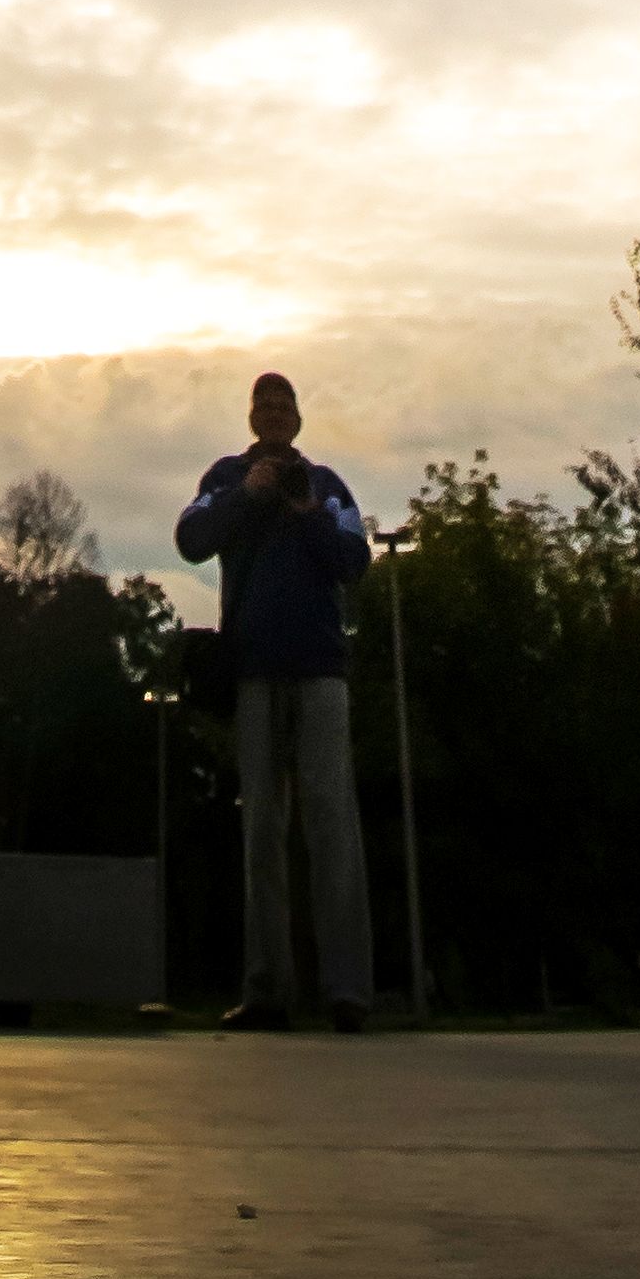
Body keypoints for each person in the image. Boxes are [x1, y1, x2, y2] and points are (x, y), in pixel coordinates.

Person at [176, 371, 376, 1034]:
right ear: (251, 416)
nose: (274, 412)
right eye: (263, 403)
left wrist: (304, 513)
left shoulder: (324, 485)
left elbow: (354, 559)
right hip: (254, 671)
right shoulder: (227, 478)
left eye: (284, 403)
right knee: (261, 828)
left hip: (320, 671)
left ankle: (346, 992)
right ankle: (266, 991)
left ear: (297, 418)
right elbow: (191, 538)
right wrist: (247, 497)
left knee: (330, 829)